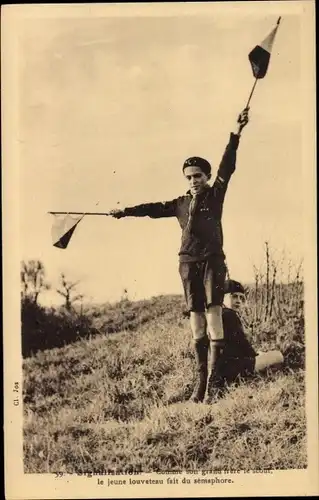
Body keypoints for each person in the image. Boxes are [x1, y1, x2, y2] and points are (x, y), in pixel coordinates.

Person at [110, 108, 250, 404]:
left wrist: (236, 133)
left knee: (214, 319)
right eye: (188, 177)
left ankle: (215, 384)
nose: (193, 180)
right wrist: (124, 211)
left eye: (198, 175)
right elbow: (152, 208)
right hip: (187, 265)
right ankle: (200, 386)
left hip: (212, 262)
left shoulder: (215, 195)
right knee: (196, 324)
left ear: (207, 177)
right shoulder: (179, 204)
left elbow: (228, 166)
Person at [210, 279, 284, 400]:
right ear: (223, 298)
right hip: (232, 367)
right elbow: (242, 344)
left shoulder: (218, 315)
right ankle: (258, 378)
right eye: (234, 297)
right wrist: (256, 355)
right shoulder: (230, 315)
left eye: (241, 298)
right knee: (278, 355)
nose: (238, 301)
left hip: (221, 367)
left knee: (264, 357)